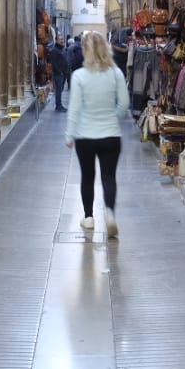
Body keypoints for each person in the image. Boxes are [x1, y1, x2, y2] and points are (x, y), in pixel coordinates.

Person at [65, 31, 129, 237]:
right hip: (111, 136)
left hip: (85, 137)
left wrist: (70, 134)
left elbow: (74, 108)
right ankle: (109, 213)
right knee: (109, 177)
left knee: (87, 176)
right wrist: (113, 117)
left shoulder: (79, 76)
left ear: (86, 51)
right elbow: (124, 103)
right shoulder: (116, 73)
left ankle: (89, 217)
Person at [47, 34, 70, 111]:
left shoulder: (61, 49)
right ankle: (58, 106)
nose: (62, 41)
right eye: (60, 39)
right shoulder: (54, 50)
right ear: (56, 40)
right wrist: (59, 71)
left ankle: (59, 105)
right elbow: (54, 63)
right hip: (59, 74)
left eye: (62, 39)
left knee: (60, 90)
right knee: (59, 90)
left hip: (63, 73)